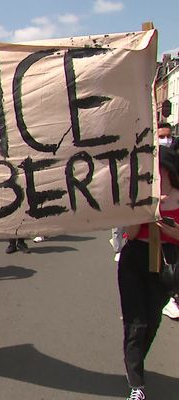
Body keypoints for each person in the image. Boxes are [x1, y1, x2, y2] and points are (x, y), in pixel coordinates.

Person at [118, 145, 179, 400]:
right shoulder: (139, 195)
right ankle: (136, 384)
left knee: (152, 320)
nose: (159, 177)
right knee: (136, 323)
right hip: (136, 259)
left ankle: (134, 360)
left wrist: (166, 227)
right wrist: (144, 210)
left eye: (163, 172)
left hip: (166, 261)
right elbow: (130, 234)